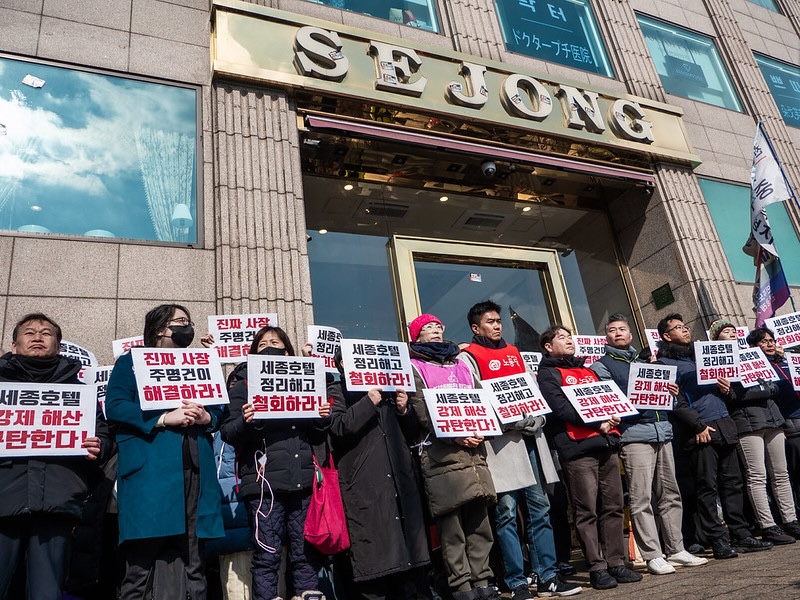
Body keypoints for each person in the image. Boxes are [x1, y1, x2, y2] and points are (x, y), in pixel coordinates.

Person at [460, 302, 581, 598]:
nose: (497, 325)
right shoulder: (469, 357)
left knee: (540, 511)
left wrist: (537, 417)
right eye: (490, 322)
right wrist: (518, 420)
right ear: (476, 328)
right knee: (506, 515)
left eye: (498, 320)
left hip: (531, 440)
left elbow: (530, 391)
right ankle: (516, 581)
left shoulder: (514, 352)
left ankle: (548, 576)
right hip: (501, 446)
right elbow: (476, 399)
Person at [106, 304, 225, 600]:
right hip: (151, 471)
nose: (188, 327)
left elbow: (221, 407)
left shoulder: (199, 362)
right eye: (181, 321)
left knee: (195, 563)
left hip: (197, 470)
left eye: (189, 322)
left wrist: (208, 417)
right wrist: (161, 418)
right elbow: (116, 405)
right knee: (139, 568)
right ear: (160, 329)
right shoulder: (131, 362)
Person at [0, 312, 110, 600]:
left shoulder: (79, 390)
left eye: (46, 332)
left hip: (56, 503)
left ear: (59, 346)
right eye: (30, 332)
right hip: (3, 499)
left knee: (46, 592)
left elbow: (104, 435)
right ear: (13, 346)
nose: (38, 336)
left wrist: (99, 446)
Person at [591, 314, 706, 575]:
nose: (618, 333)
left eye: (623, 329)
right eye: (612, 330)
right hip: (634, 435)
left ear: (631, 335)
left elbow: (666, 397)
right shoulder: (602, 365)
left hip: (662, 430)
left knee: (670, 494)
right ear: (606, 337)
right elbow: (610, 400)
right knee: (642, 498)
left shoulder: (647, 360)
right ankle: (652, 554)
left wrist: (670, 391)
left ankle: (676, 549)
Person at [220, 326, 329, 600]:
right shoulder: (243, 385)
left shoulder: (305, 380)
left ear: (288, 350)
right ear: (253, 353)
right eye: (263, 343)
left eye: (276, 342)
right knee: (266, 554)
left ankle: (307, 594)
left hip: (302, 480)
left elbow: (316, 434)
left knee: (304, 551)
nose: (270, 346)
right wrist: (249, 422)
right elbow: (227, 432)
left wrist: (321, 417)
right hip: (264, 485)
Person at [655, 313, 772, 559]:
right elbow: (673, 402)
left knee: (733, 483)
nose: (685, 330)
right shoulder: (663, 363)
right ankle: (717, 539)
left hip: (724, 423)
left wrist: (728, 390)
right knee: (707, 487)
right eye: (678, 328)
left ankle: (741, 534)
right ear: (667, 336)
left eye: (685, 326)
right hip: (700, 430)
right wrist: (697, 426)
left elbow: (729, 391)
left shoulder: (703, 355)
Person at [536, 324, 641, 591]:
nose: (569, 340)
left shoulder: (587, 370)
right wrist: (598, 423)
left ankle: (616, 562)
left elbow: (606, 400)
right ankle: (596, 567)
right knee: (587, 510)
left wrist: (615, 416)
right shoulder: (548, 374)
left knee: (614, 505)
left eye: (570, 336)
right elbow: (560, 408)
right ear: (548, 346)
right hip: (578, 447)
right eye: (562, 337)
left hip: (606, 444)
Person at [406, 314, 499, 600]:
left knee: (480, 526)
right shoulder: (414, 367)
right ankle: (461, 587)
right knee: (452, 530)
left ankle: (483, 582)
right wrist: (454, 435)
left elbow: (481, 400)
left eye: (438, 326)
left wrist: (483, 429)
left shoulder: (462, 364)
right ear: (416, 336)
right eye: (427, 328)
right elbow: (421, 409)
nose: (434, 331)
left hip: (474, 455)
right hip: (442, 457)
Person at [328, 349, 430, 599]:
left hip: (400, 486)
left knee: (409, 573)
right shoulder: (337, 390)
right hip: (365, 489)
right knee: (376, 572)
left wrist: (404, 411)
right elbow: (339, 428)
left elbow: (410, 435)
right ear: (342, 364)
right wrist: (368, 401)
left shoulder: (390, 389)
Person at [712, 321, 799, 543]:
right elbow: (732, 396)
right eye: (725, 332)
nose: (731, 334)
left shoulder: (758, 360)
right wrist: (759, 391)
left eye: (733, 331)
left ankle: (790, 520)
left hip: (773, 421)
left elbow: (774, 387)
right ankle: (768, 525)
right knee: (757, 476)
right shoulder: (724, 362)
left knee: (781, 474)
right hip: (747, 425)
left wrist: (755, 390)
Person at [748, 326, 800, 522]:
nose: (769, 344)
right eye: (764, 341)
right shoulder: (756, 369)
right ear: (753, 347)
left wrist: (786, 357)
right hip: (784, 426)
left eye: (771, 341)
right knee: (787, 475)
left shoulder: (785, 362)